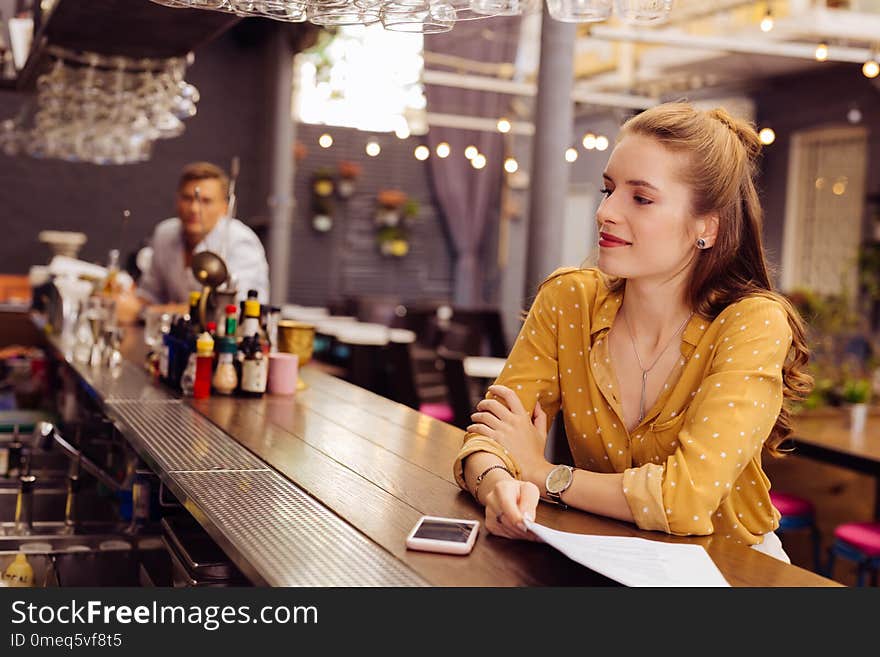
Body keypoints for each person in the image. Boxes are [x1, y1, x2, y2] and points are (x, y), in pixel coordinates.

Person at [454, 101, 813, 563]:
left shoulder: (753, 323)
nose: (605, 212)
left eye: (640, 198)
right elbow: (488, 439)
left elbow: (685, 502)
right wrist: (498, 486)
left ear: (707, 227)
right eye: (608, 190)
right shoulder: (569, 300)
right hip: (601, 557)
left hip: (730, 572)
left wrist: (544, 475)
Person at [136, 161, 270, 308]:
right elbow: (149, 295)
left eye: (205, 201)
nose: (194, 208)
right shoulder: (165, 234)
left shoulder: (241, 242)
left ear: (225, 207)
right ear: (177, 201)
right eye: (187, 198)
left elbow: (235, 309)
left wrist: (160, 311)